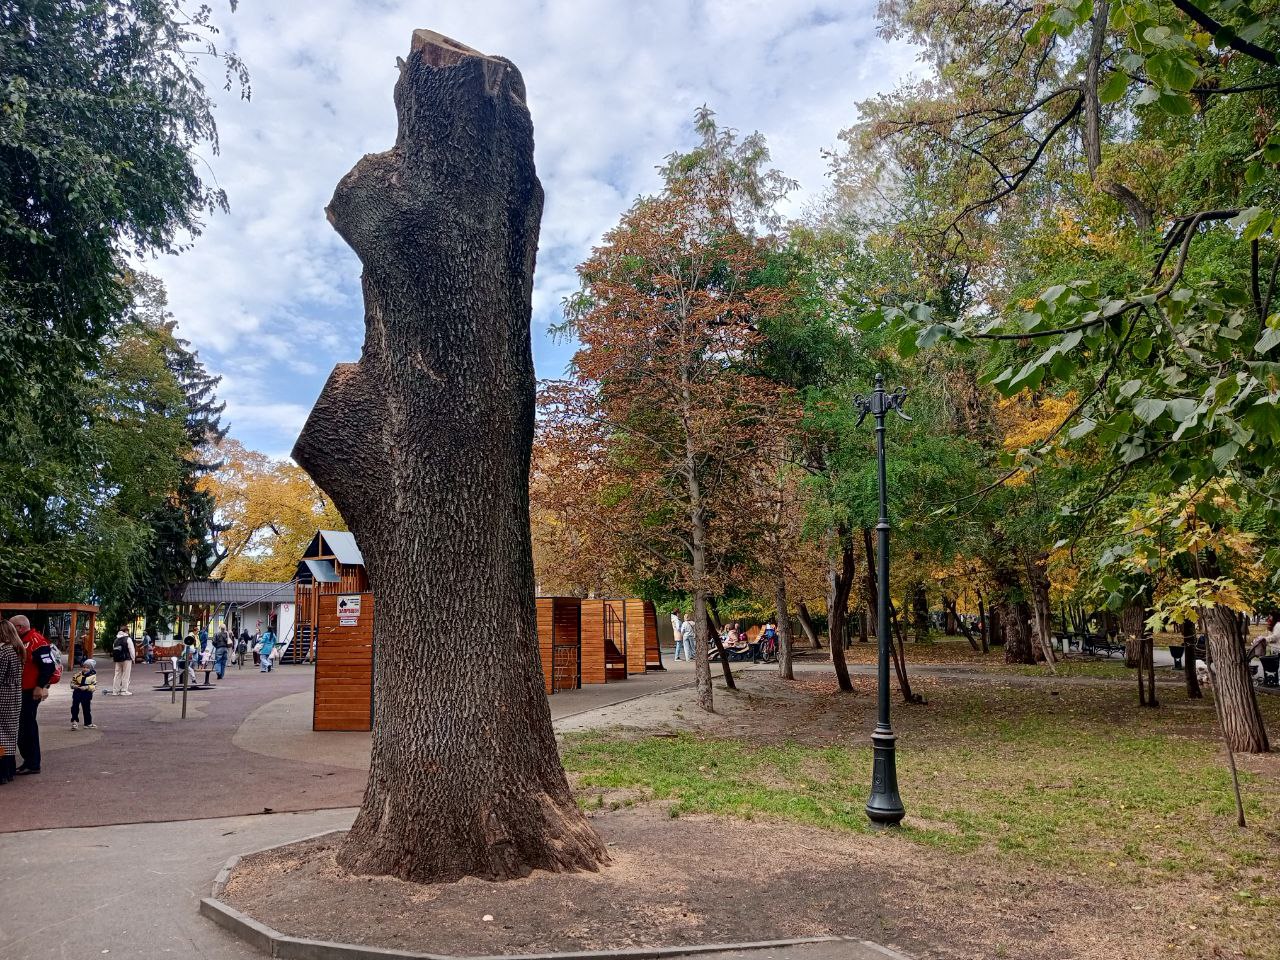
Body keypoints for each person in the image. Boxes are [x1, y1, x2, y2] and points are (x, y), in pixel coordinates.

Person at [12, 615, 57, 776]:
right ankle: (29, 761)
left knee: (26, 726)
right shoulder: (24, 640)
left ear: (19, 627)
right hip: (22, 689)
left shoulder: (36, 641)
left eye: (12, 627)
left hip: (30, 691)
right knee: (22, 726)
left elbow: (49, 665)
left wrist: (40, 686)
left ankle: (32, 762)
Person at [0, 620, 25, 785]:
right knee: (10, 733)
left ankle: (1, 773)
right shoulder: (19, 650)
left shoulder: (3, 652)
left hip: (3, 696)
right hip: (15, 694)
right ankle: (8, 771)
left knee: (0, 735)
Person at [70, 657, 98, 730]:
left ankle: (88, 723)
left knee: (87, 708)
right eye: (84, 667)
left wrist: (87, 687)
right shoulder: (77, 675)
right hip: (77, 692)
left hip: (87, 693)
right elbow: (72, 683)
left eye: (87, 668)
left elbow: (94, 686)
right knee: (74, 707)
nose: (85, 669)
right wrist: (74, 686)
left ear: (91, 668)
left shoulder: (93, 676)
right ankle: (74, 721)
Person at [107, 629, 135, 696]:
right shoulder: (128, 639)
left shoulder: (116, 640)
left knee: (117, 674)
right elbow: (131, 649)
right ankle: (124, 691)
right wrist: (133, 658)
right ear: (126, 632)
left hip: (117, 659)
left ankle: (115, 691)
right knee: (126, 675)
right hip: (126, 659)